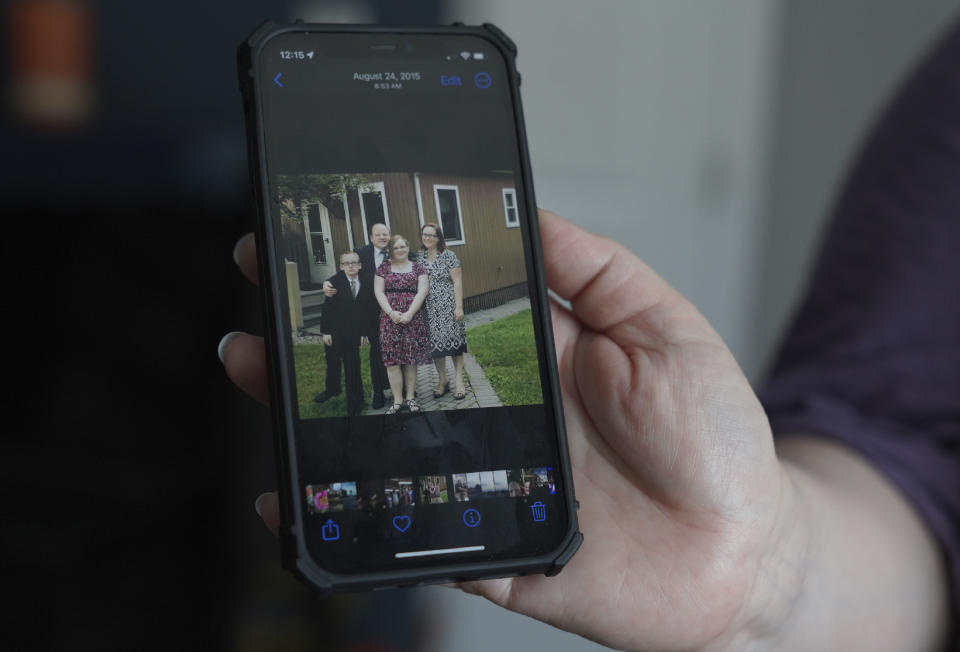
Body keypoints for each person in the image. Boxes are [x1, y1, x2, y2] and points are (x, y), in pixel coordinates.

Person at [221, 24, 960, 649]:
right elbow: (898, 436)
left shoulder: (435, 260)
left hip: (430, 318)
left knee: (441, 366)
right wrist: (767, 567)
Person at [324, 222, 392, 409]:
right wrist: (327, 282)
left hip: (395, 310)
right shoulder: (361, 253)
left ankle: (398, 386)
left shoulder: (397, 250)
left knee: (397, 349)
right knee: (377, 352)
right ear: (371, 237)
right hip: (370, 313)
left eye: (386, 234)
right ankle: (379, 392)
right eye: (378, 234)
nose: (383, 237)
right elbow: (344, 271)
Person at [373, 235, 431, 414]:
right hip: (390, 319)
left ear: (407, 247)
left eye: (402, 247)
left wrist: (409, 314)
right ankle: (398, 401)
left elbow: (422, 292)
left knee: (410, 360)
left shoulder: (418, 268)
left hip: (412, 318)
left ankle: (410, 398)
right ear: (391, 250)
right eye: (396, 248)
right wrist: (391, 313)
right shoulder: (383, 268)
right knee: (392, 362)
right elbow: (378, 292)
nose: (400, 250)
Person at [317, 252, 378, 416]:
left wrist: (363, 333)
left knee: (353, 367)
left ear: (360, 265)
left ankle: (355, 402)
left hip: (353, 333)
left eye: (354, 263)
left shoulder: (366, 282)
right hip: (334, 332)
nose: (351, 266)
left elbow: (366, 312)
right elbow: (326, 309)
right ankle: (332, 389)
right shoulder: (334, 283)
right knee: (333, 363)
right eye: (347, 263)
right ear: (341, 267)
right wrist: (326, 332)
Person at [416, 223, 468, 400]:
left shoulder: (449, 255)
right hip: (428, 309)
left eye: (431, 235)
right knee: (436, 346)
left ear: (439, 238)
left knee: (454, 344)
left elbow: (457, 282)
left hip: (448, 307)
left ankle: (459, 380)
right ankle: (443, 380)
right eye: (425, 234)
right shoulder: (419, 256)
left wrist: (459, 307)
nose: (427, 238)